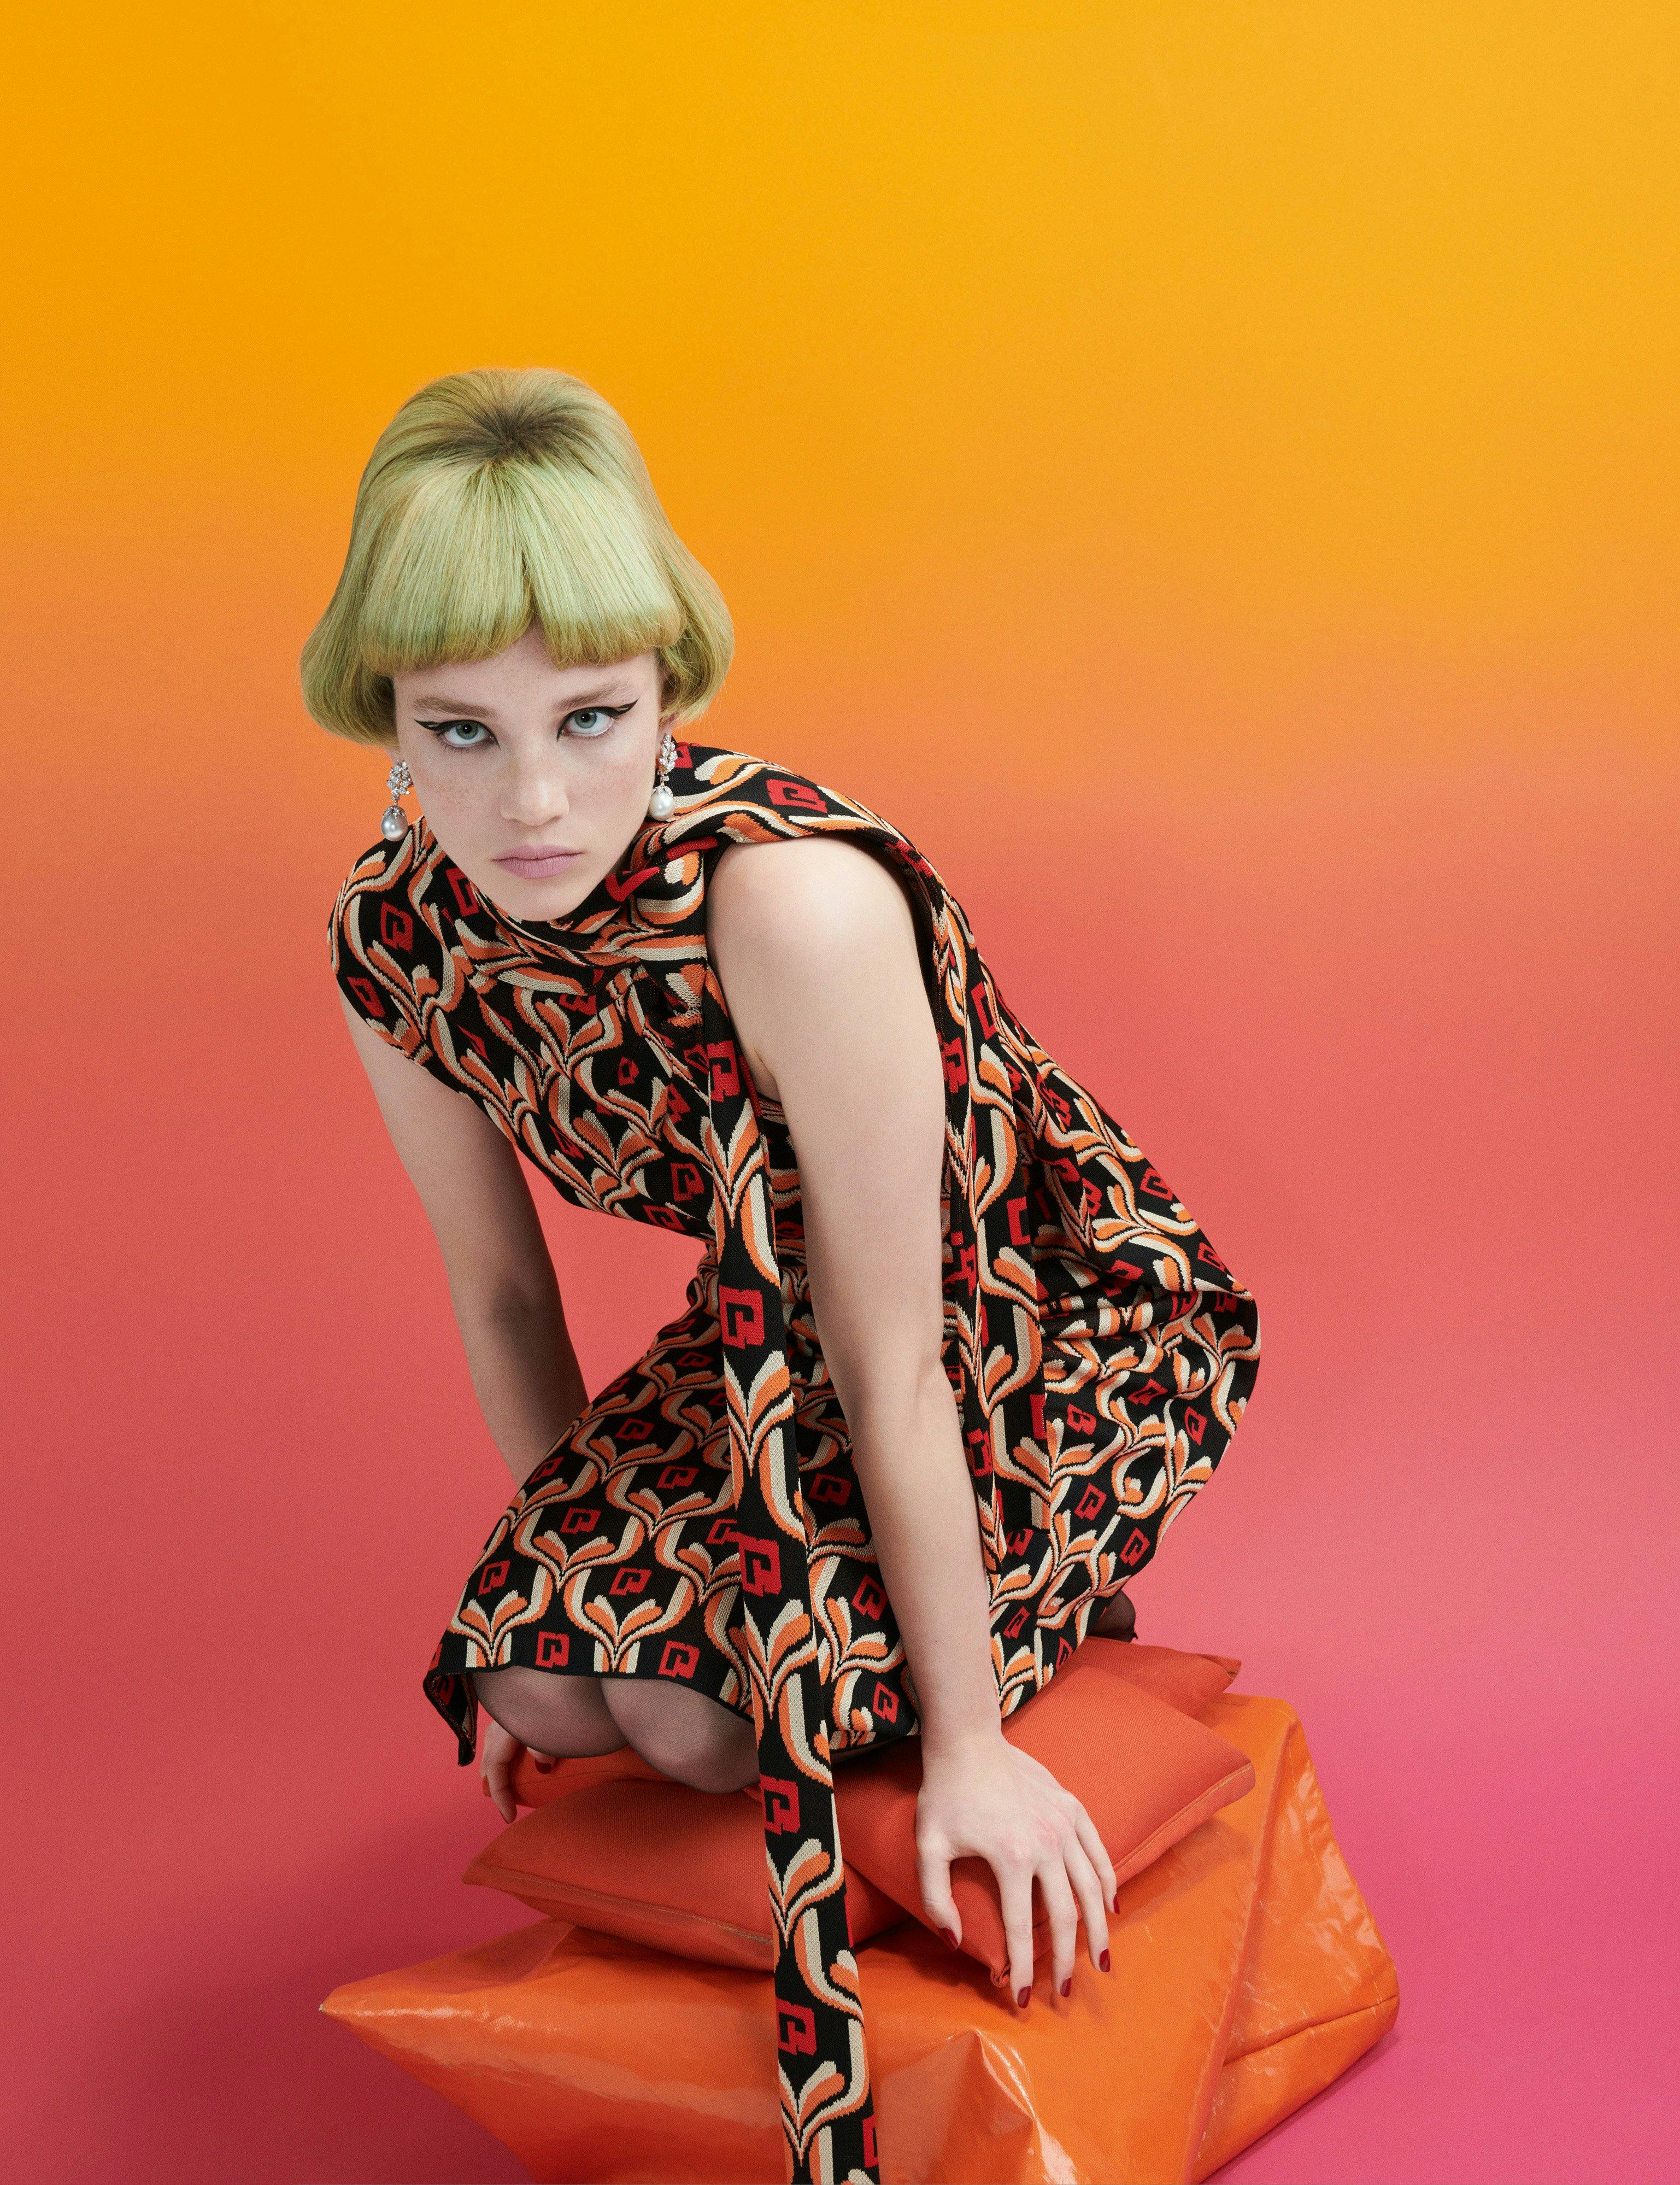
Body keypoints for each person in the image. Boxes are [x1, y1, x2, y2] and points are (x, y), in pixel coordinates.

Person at [303, 366, 1261, 2184]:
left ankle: (1011, 1643)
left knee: (679, 1711)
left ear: (670, 691)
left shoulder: (790, 905)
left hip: (1026, 1320)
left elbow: (896, 1353)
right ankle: (808, 1645)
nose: (529, 802)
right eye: (459, 733)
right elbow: (506, 1297)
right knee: (548, 1692)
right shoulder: (401, 934)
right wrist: (568, 1578)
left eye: (592, 720)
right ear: (387, 727)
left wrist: (966, 1751)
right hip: (757, 1338)